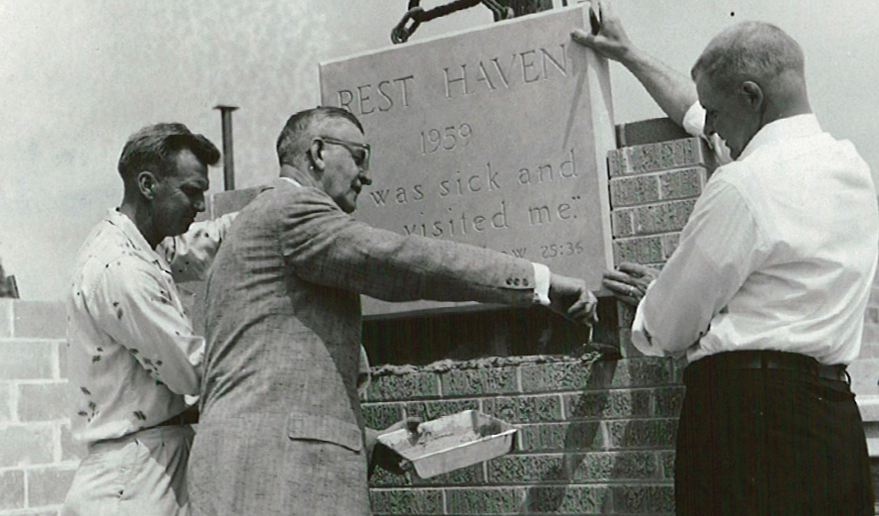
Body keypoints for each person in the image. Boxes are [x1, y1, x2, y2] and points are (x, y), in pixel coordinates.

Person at [187, 106, 598, 516]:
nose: (367, 176)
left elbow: (268, 380)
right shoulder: (293, 211)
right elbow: (407, 262)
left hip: (248, 472)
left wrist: (369, 444)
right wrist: (540, 282)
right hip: (279, 479)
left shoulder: (252, 226)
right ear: (317, 153)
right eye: (359, 157)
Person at [573, 6, 878, 515]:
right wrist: (629, 56)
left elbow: (665, 330)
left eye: (715, 110)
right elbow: (698, 115)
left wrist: (660, 296)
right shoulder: (850, 168)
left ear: (751, 97)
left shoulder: (742, 185)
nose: (709, 126)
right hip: (833, 428)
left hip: (745, 427)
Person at [63, 123, 234, 516]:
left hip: (149, 463)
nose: (200, 206)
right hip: (133, 480)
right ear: (147, 184)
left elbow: (194, 248)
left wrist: (262, 215)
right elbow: (191, 370)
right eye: (191, 192)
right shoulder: (121, 268)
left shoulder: (139, 245)